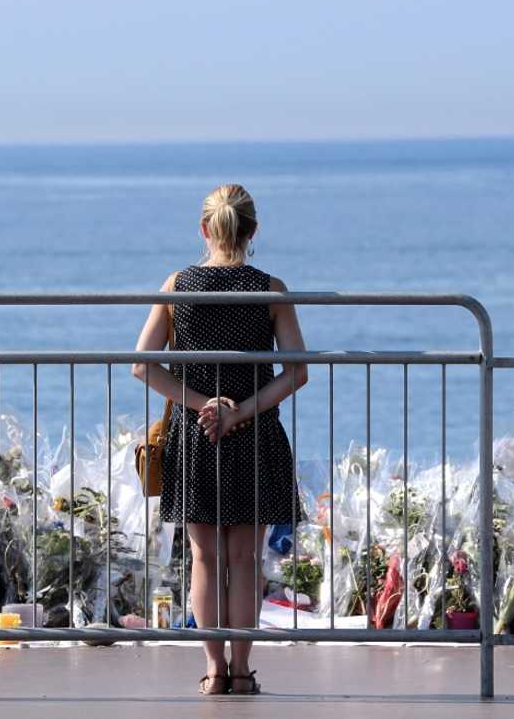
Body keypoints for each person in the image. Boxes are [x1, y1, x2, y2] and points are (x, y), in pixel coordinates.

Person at [133, 183, 308, 695]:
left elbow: (143, 365)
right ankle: (242, 670)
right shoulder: (271, 289)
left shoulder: (177, 285)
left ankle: (213, 670)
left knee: (204, 559)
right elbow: (297, 372)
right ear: (253, 231)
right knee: (245, 560)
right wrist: (241, 411)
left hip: (195, 435)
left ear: (205, 229)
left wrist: (203, 406)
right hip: (256, 434)